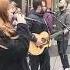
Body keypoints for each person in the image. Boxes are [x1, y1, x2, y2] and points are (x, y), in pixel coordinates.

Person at [0, 0, 41, 70]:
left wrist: (16, 28)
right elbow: (20, 49)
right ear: (3, 12)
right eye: (10, 10)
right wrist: (22, 25)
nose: (13, 14)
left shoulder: (7, 27)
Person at [26, 0, 50, 70]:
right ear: (39, 7)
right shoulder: (30, 17)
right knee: (34, 67)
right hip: (34, 47)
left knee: (46, 66)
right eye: (44, 6)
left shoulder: (42, 17)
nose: (45, 7)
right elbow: (25, 31)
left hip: (43, 46)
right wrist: (35, 39)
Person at [55, 0, 70, 70]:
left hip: (64, 37)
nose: (59, 3)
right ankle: (64, 66)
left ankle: (66, 67)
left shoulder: (67, 14)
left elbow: (68, 26)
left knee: (63, 52)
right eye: (59, 2)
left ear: (65, 4)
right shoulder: (58, 13)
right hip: (58, 37)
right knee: (60, 52)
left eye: (61, 2)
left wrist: (64, 31)